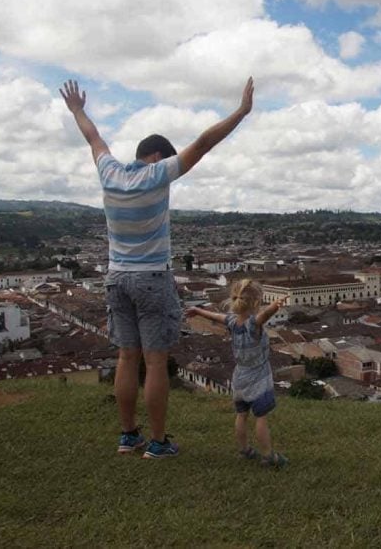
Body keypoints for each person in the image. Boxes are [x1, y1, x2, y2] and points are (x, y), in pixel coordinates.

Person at [60, 76, 254, 459]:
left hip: (116, 278)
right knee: (155, 361)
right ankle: (159, 442)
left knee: (126, 358)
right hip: (151, 278)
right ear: (155, 157)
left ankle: (128, 435)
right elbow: (202, 143)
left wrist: (78, 109)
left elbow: (94, 138)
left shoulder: (110, 172)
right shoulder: (157, 173)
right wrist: (241, 112)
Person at [187, 280, 288, 468]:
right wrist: (275, 306)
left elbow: (217, 316)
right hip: (258, 377)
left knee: (241, 415)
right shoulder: (252, 325)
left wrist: (198, 311)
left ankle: (244, 450)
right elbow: (264, 316)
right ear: (257, 301)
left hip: (239, 377)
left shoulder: (233, 322)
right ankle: (268, 456)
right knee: (261, 417)